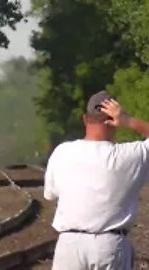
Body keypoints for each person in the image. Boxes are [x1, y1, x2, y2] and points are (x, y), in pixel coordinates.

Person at [44, 90, 149, 269]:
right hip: (109, 245)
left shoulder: (63, 152)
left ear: (85, 119)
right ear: (113, 122)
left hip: (69, 245)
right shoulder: (128, 156)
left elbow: (50, 195)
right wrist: (128, 121)